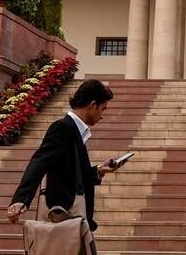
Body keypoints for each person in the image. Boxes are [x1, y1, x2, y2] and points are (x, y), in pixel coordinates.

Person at [7, 79, 123, 234]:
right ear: (93, 105)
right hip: (63, 212)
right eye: (103, 109)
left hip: (73, 217)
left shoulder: (75, 130)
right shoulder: (63, 128)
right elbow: (40, 161)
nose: (102, 115)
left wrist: (100, 170)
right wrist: (21, 199)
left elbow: (71, 172)